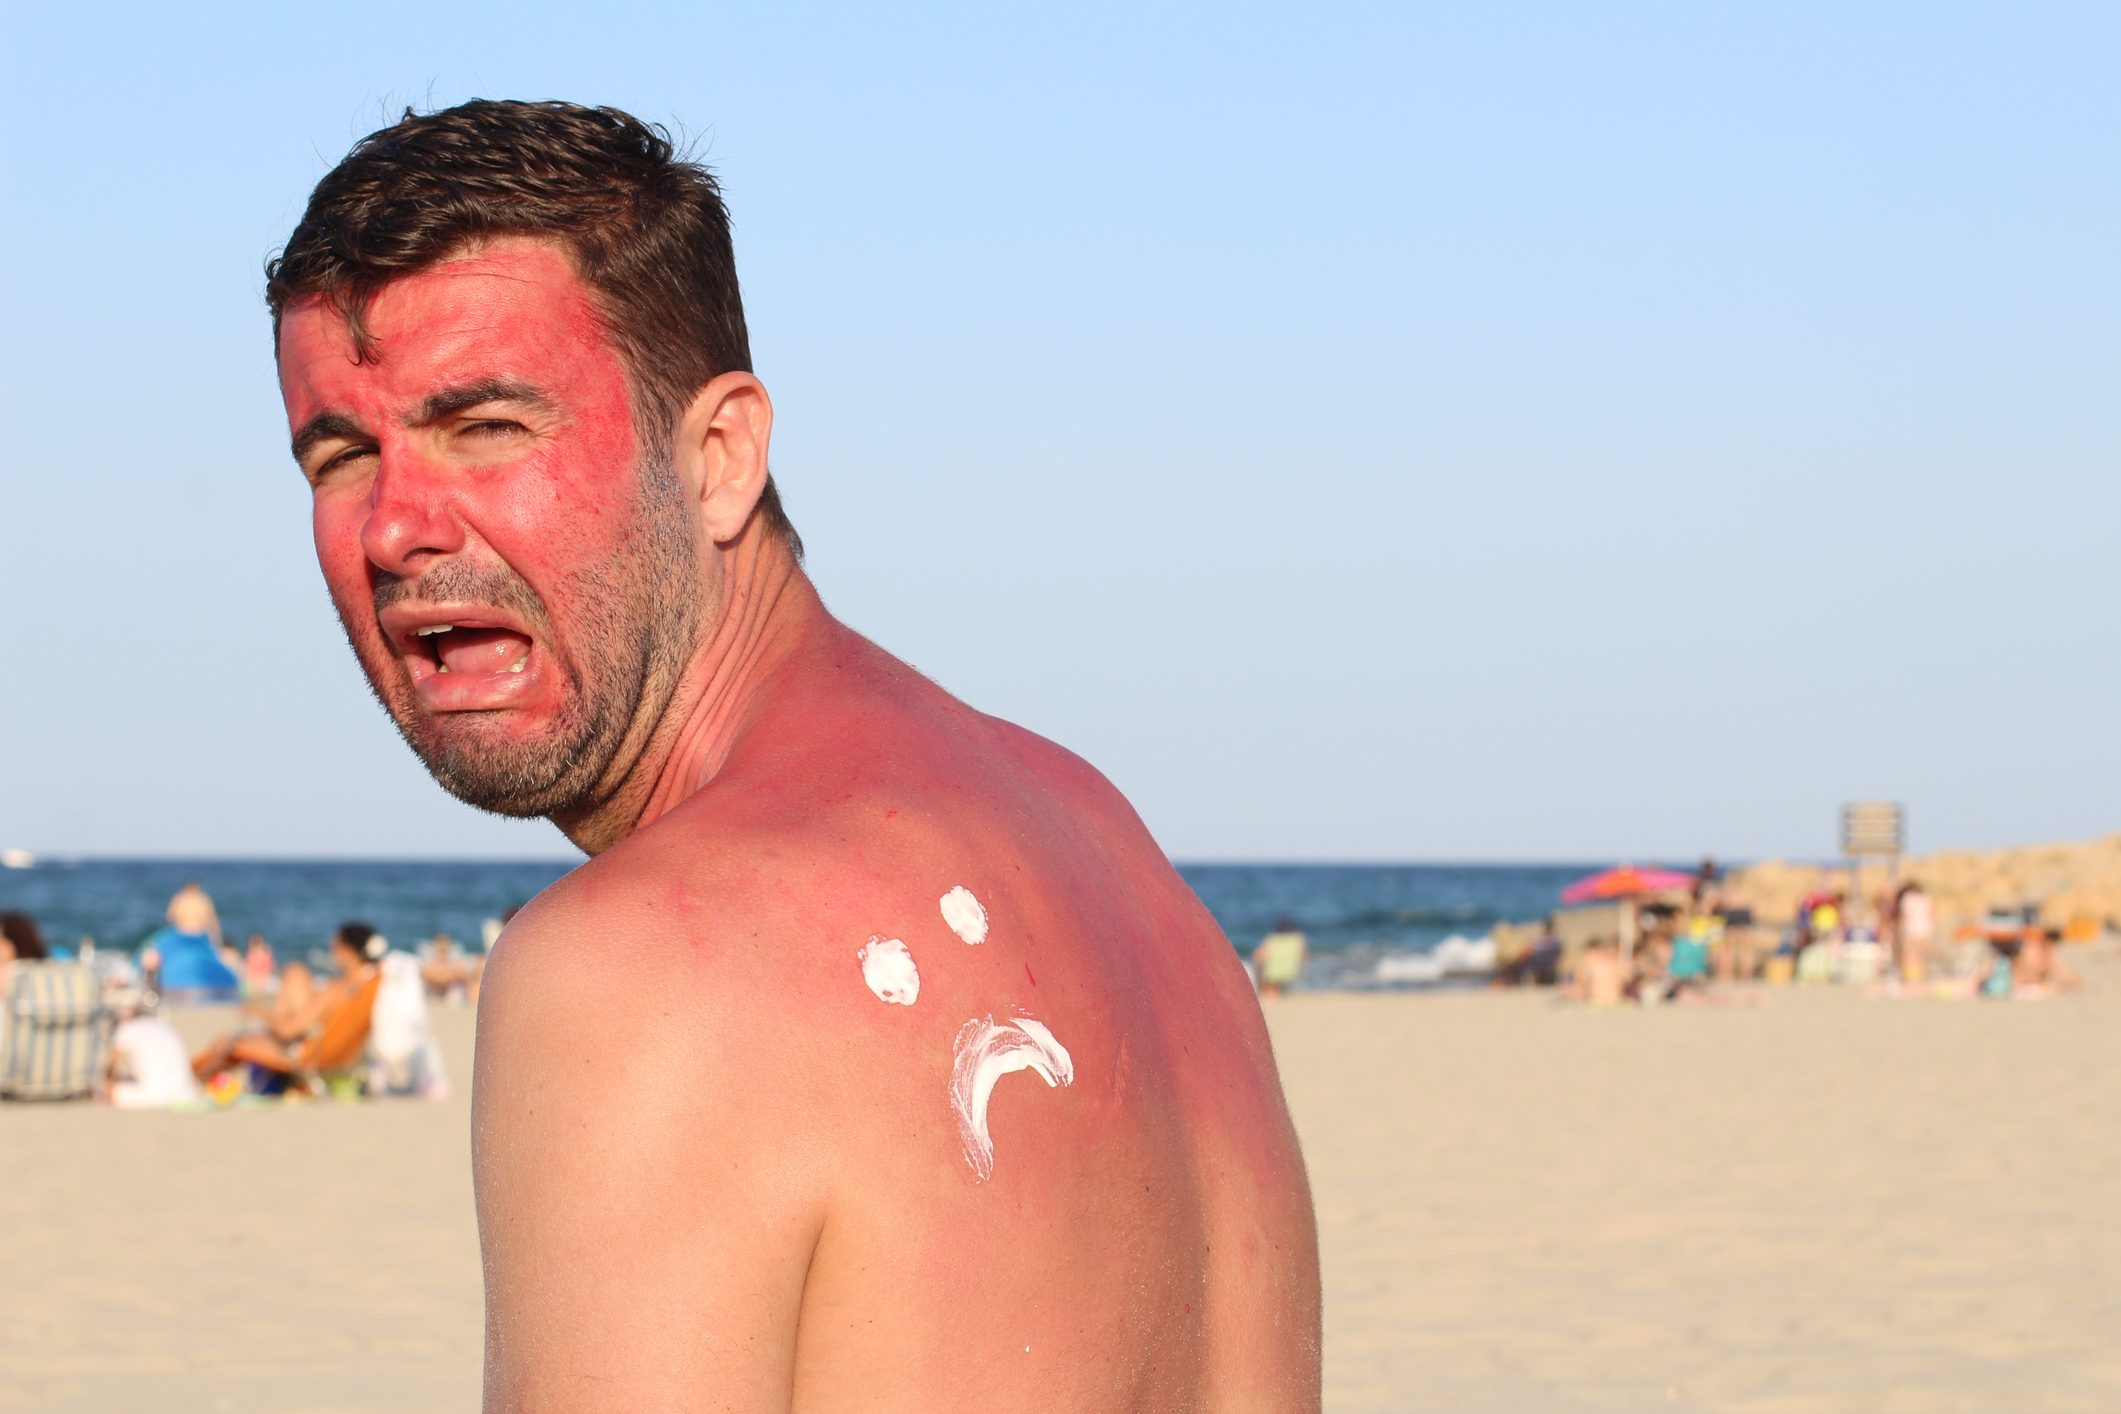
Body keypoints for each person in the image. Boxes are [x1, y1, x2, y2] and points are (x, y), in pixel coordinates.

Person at [268, 99, 1320, 1408]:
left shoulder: (650, 961)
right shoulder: (1120, 865)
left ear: (720, 457)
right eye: (341, 453)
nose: (396, 527)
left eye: (488, 425)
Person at [190, 923, 386, 1089]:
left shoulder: (337, 988)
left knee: (229, 1043)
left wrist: (258, 1010)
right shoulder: (369, 986)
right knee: (296, 972)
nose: (332, 952)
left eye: (335, 947)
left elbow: (287, 1031)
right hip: (333, 1057)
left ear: (347, 951)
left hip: (306, 1058)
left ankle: (187, 1079)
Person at [150, 880, 238, 999]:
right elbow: (212, 922)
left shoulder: (179, 898)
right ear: (198, 888)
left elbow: (170, 917)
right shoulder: (203, 899)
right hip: (199, 935)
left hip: (180, 934)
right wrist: (217, 942)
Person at [1253, 916, 1309, 998]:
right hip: (1291, 971)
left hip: (1272, 973)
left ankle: (1268, 992)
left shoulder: (1273, 938)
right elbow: (1305, 957)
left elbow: (1258, 957)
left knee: (1260, 964)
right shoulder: (1297, 939)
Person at [1894, 881, 1933, 984]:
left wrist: (1898, 928)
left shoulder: (1908, 898)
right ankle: (1919, 975)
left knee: (1909, 953)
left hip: (1912, 928)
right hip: (1925, 928)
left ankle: (1910, 976)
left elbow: (1905, 914)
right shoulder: (1925, 897)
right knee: (1921, 955)